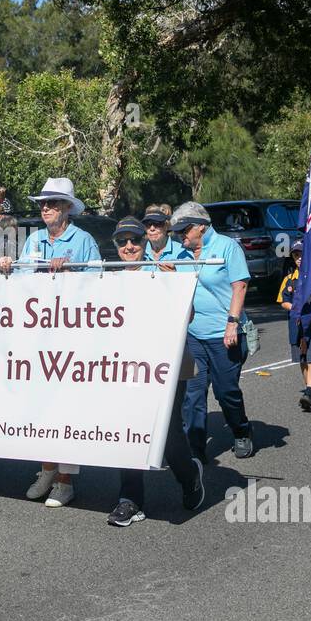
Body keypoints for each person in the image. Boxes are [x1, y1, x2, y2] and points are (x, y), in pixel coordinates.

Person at [0, 176, 99, 507]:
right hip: (36, 337)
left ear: (67, 208)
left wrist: (69, 275)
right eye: (42, 203)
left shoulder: (83, 240)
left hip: (69, 337)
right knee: (38, 407)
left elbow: (100, 286)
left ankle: (66, 480)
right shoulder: (34, 239)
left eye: (52, 203)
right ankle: (46, 469)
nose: (45, 208)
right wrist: (8, 267)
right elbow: (23, 281)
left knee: (64, 408)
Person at [105, 217, 204, 527]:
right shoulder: (105, 278)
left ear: (145, 243)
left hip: (165, 366)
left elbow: (187, 316)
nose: (129, 246)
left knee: (169, 434)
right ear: (116, 246)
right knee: (127, 429)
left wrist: (174, 285)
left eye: (135, 240)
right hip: (124, 368)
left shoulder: (163, 272)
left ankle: (190, 478)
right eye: (123, 242)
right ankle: (130, 500)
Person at [170, 200, 256, 465]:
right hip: (194, 335)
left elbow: (239, 286)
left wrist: (232, 323)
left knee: (225, 391)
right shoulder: (182, 255)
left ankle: (241, 430)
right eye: (177, 231)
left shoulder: (227, 248)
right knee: (193, 394)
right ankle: (195, 449)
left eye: (184, 230)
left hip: (224, 334)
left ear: (202, 227)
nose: (180, 235)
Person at [278, 240, 311, 411]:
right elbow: (282, 301)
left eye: (302, 255)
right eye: (296, 255)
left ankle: (308, 391)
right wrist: (295, 307)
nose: (299, 258)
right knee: (302, 359)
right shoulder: (289, 279)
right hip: (297, 324)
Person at [142, 203, 185, 268]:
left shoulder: (181, 251)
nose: (152, 228)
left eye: (157, 224)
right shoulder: (139, 252)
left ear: (166, 226)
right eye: (148, 224)